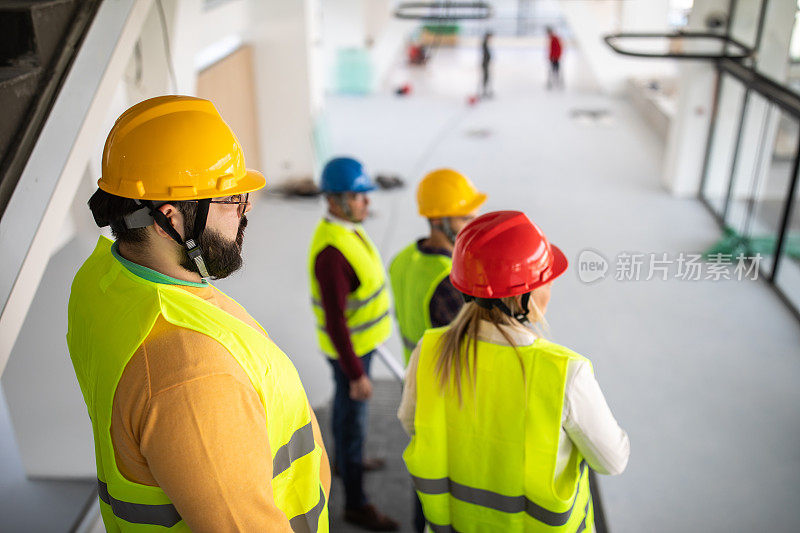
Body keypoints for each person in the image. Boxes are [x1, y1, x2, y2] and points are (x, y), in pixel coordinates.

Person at [67, 95, 330, 531]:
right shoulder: (194, 378)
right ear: (168, 217)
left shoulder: (103, 279)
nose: (246, 212)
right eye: (231, 200)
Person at [399, 211, 630, 531]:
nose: (550, 288)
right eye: (544, 280)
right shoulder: (565, 373)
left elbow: (413, 425)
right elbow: (612, 461)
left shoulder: (430, 351)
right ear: (523, 296)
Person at [388, 168, 486, 532]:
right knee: (445, 483)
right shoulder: (450, 280)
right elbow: (467, 351)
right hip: (444, 391)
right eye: (465, 216)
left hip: (413, 376)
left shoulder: (402, 259)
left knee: (423, 469)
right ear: (440, 219)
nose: (472, 222)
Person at [308, 157, 399, 531]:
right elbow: (336, 322)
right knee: (354, 417)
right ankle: (356, 504)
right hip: (352, 353)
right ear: (333, 200)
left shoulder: (346, 230)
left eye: (365, 195)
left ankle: (347, 463)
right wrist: (356, 373)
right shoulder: (332, 254)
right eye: (357, 196)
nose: (366, 203)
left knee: (347, 412)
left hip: (362, 344)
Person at [481, 31, 493, 98]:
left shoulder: (486, 43)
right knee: (486, 77)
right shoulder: (484, 43)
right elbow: (486, 54)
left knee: (487, 77)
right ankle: (484, 91)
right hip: (485, 63)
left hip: (486, 63)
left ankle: (486, 90)